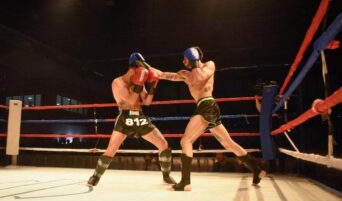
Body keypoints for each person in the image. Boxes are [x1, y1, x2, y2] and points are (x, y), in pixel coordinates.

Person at [155, 46, 266, 191]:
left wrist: (195, 63)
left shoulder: (209, 65)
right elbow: (164, 75)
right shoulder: (185, 74)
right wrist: (147, 68)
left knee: (186, 140)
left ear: (194, 56)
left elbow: (201, 79)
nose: (183, 61)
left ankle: (185, 182)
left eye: (185, 58)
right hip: (206, 107)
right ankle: (257, 169)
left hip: (207, 104)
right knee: (228, 144)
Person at [86, 52, 176, 186]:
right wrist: (139, 83)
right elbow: (131, 99)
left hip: (140, 117)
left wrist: (152, 86)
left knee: (163, 144)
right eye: (141, 71)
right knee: (111, 149)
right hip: (124, 118)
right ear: (133, 69)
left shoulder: (140, 80)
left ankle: (166, 175)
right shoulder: (118, 82)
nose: (143, 74)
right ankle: (95, 177)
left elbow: (147, 102)